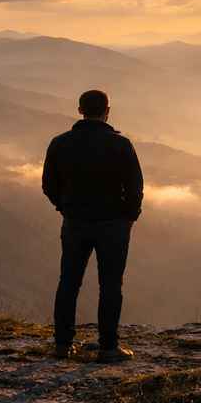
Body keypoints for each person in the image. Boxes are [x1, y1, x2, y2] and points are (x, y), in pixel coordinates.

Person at [42, 89, 143, 362]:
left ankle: (63, 345)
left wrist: (65, 207)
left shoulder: (60, 143)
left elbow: (48, 185)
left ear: (80, 110)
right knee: (110, 285)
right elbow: (135, 187)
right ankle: (108, 348)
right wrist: (129, 217)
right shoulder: (121, 145)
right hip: (113, 225)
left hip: (75, 222)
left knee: (69, 282)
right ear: (107, 110)